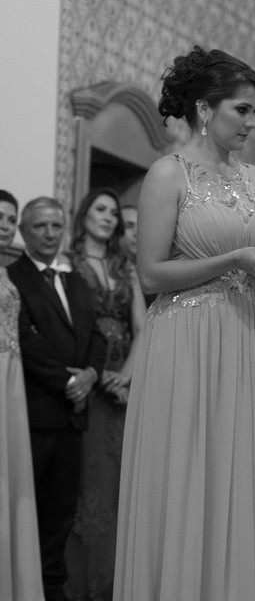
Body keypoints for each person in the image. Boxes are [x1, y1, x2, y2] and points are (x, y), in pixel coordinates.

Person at [113, 47, 255, 601]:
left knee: (235, 474)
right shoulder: (168, 175)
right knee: (185, 469)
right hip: (182, 340)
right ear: (205, 108)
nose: (252, 122)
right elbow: (150, 274)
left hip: (243, 337)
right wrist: (233, 259)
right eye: (242, 110)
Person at [8, 196, 107, 601]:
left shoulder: (76, 281)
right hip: (34, 414)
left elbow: (96, 336)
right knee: (25, 510)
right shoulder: (13, 279)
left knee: (60, 514)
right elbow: (24, 342)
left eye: (56, 226)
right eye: (40, 226)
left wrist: (91, 374)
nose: (50, 234)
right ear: (23, 231)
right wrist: (68, 382)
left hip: (72, 416)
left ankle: (51, 588)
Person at [64, 188, 147, 601]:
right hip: (83, 378)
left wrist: (126, 376)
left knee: (116, 483)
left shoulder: (125, 266)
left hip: (120, 388)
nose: (109, 217)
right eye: (100, 209)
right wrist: (92, 374)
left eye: (114, 212)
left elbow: (142, 326)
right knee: (82, 482)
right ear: (83, 215)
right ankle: (74, 583)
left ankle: (113, 584)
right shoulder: (68, 263)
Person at [0, 189, 46, 601]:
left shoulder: (6, 273)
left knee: (11, 478)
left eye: (10, 220)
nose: (5, 226)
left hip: (11, 382)